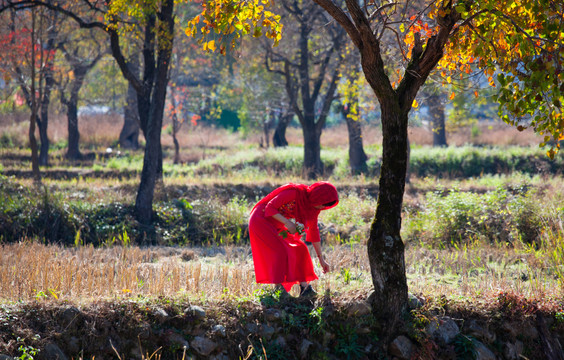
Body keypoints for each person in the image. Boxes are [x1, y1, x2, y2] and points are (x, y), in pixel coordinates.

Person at [248, 181, 339, 297]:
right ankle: (278, 290)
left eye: (325, 205)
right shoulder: (294, 193)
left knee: (300, 248)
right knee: (280, 251)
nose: (322, 207)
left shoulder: (313, 208)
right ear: (317, 197)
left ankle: (305, 289)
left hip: (277, 224)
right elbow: (269, 208)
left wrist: (321, 259)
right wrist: (288, 223)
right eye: (322, 204)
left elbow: (313, 231)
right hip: (261, 219)